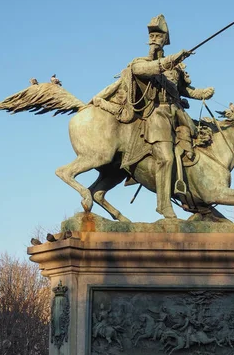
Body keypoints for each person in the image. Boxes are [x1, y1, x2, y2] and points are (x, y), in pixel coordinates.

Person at [92, 15, 215, 218]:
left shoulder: (175, 69)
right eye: (152, 37)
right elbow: (150, 69)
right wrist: (174, 58)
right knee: (166, 158)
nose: (154, 41)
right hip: (157, 115)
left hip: (178, 115)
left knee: (201, 147)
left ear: (164, 41)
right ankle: (163, 204)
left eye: (158, 37)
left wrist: (203, 93)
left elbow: (185, 91)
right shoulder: (141, 63)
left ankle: (195, 191)